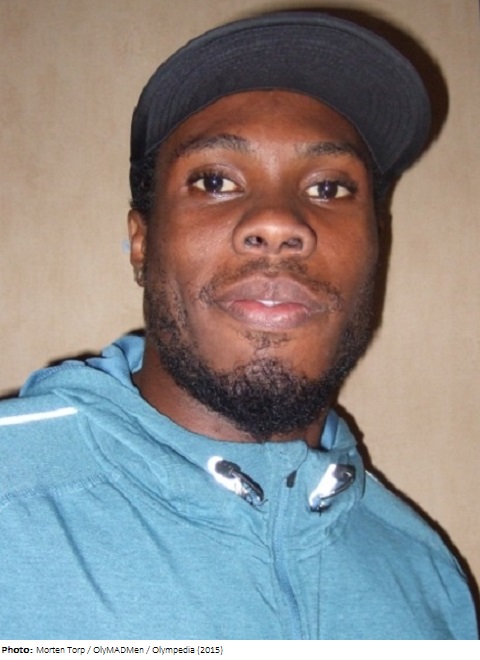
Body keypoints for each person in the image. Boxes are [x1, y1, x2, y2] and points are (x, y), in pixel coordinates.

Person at [0, 11, 477, 640]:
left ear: (376, 248)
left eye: (329, 189)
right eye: (215, 181)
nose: (279, 224)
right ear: (142, 243)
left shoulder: (429, 583)